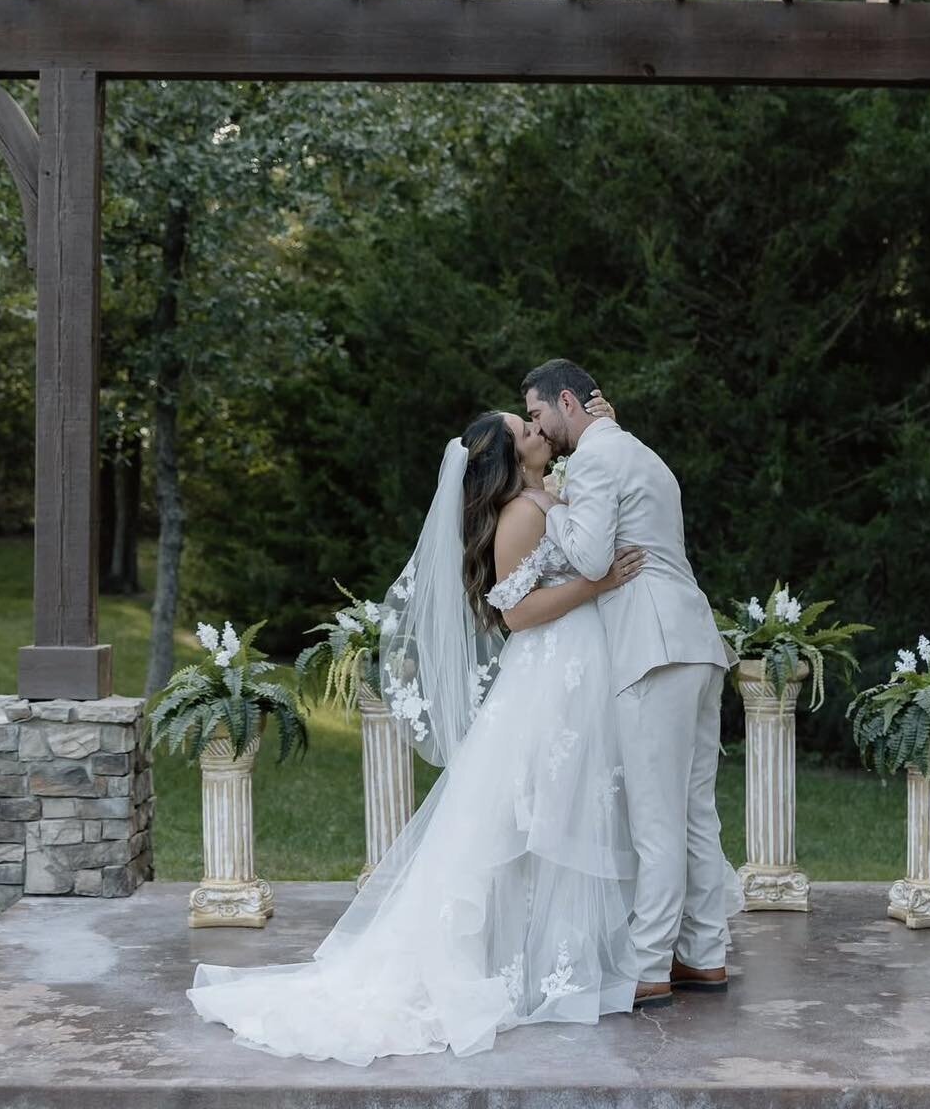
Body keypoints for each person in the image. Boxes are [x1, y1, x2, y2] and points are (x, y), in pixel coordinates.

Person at [188, 397, 648, 1062]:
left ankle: (569, 956)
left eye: (536, 423)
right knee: (527, 818)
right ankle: (534, 965)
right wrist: (597, 585)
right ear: (510, 457)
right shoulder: (519, 515)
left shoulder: (549, 496)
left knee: (567, 810)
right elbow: (517, 616)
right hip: (547, 673)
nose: (540, 432)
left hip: (576, 668)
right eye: (526, 430)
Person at [521, 358, 738, 1007]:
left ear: (567, 401)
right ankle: (704, 955)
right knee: (697, 812)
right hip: (697, 643)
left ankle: (648, 967)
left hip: (653, 650)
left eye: (536, 414)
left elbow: (590, 558)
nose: (538, 427)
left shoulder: (591, 461)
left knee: (656, 818)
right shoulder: (643, 454)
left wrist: (545, 503)